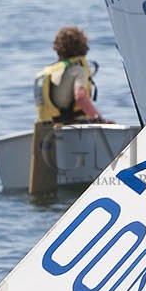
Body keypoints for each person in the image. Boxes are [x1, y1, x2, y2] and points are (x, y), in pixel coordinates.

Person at [30, 25, 105, 196]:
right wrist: (98, 118)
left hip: (47, 128)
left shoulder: (51, 71)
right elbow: (80, 97)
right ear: (83, 47)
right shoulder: (78, 70)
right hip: (72, 127)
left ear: (58, 49)